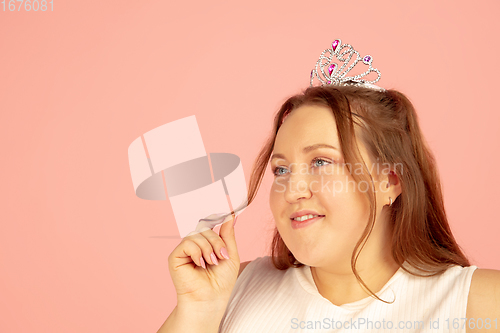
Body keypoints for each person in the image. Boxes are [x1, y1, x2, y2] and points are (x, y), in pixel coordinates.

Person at [158, 41, 500, 333]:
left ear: (390, 181)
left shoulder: (479, 305)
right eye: (280, 169)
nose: (292, 190)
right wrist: (198, 311)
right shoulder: (230, 290)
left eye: (321, 162)